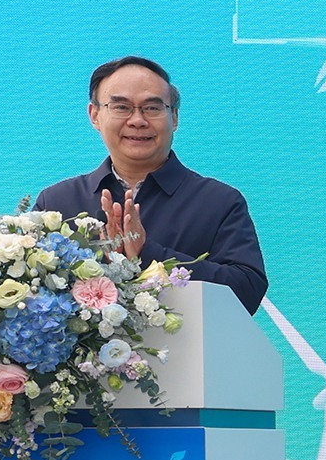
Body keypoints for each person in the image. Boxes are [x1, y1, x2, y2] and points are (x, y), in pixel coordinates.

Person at [30, 57, 268, 313]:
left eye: (152, 108)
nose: (137, 120)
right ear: (95, 115)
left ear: (174, 117)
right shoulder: (56, 203)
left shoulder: (219, 202)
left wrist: (148, 252)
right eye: (121, 107)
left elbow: (247, 291)